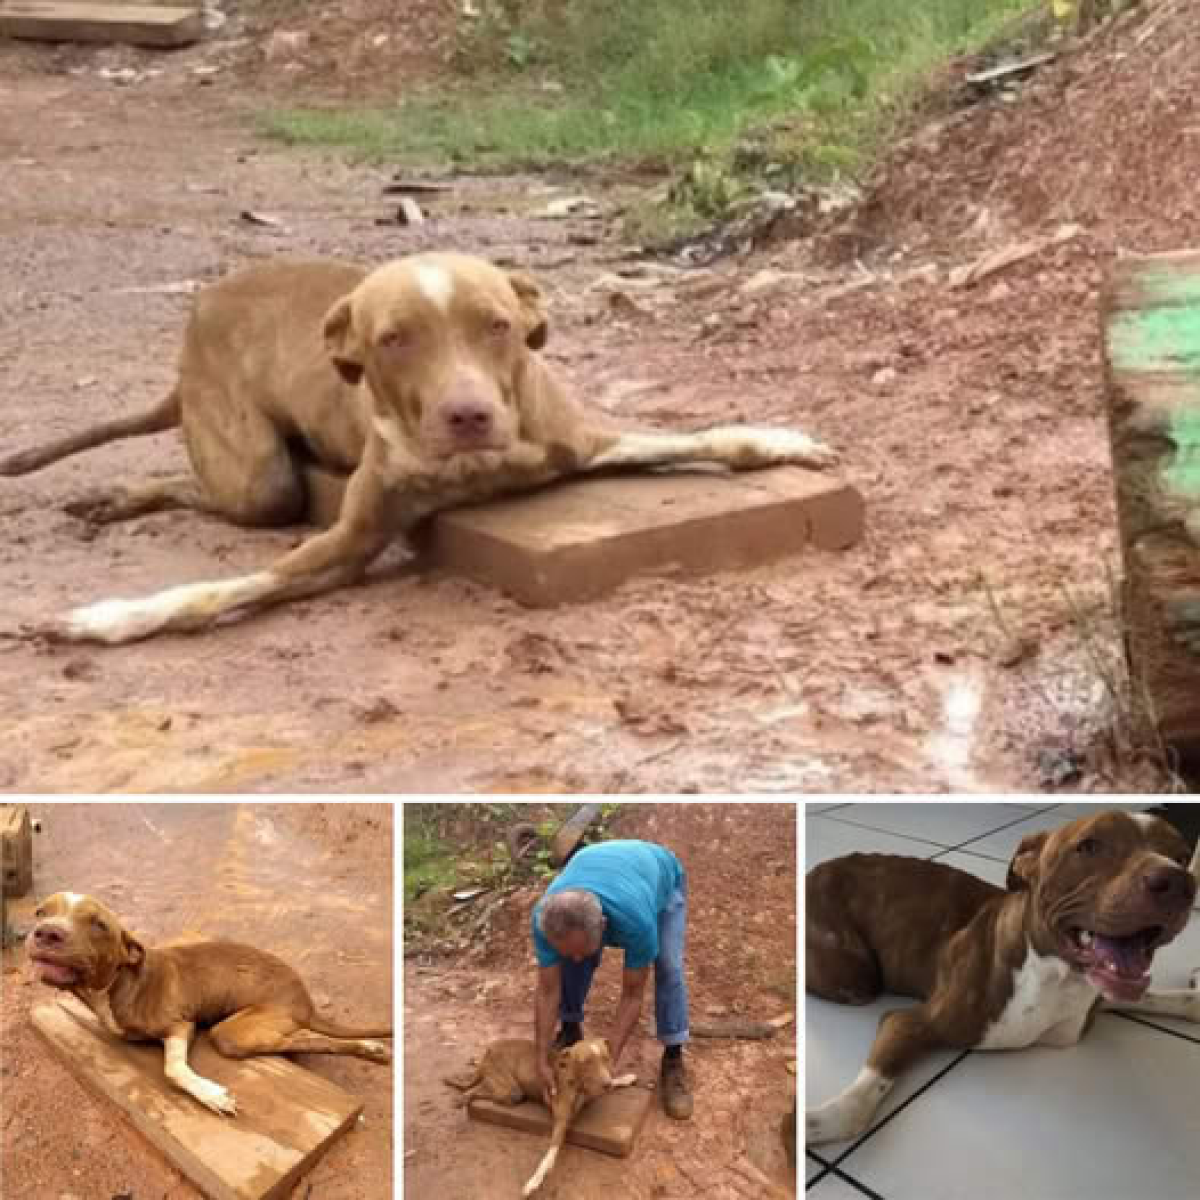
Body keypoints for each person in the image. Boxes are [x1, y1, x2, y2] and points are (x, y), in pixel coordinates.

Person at [530, 838, 692, 1119]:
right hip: (602, 867)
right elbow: (547, 991)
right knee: (572, 962)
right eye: (569, 950)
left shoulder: (636, 921)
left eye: (582, 950)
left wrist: (606, 1063)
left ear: (603, 927)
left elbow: (632, 995)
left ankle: (674, 1057)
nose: (577, 958)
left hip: (660, 878)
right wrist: (541, 1059)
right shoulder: (545, 920)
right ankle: (570, 1030)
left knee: (668, 967)